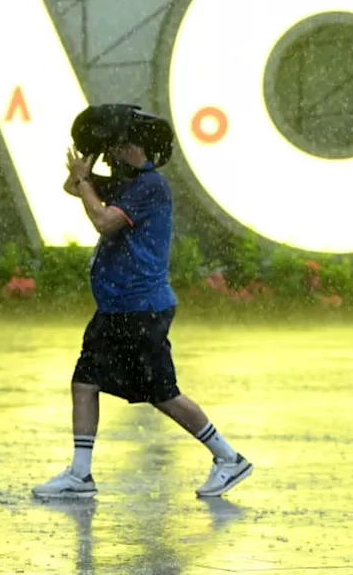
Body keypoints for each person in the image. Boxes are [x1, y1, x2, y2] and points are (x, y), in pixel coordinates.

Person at [32, 110, 252, 499]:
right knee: (85, 382)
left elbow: (103, 220)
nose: (113, 153)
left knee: (162, 393)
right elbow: (74, 188)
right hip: (116, 308)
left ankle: (228, 458)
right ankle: (80, 475)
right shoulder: (126, 182)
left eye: (115, 146)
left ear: (131, 146)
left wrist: (85, 182)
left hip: (142, 308)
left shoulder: (149, 186)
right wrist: (85, 170)